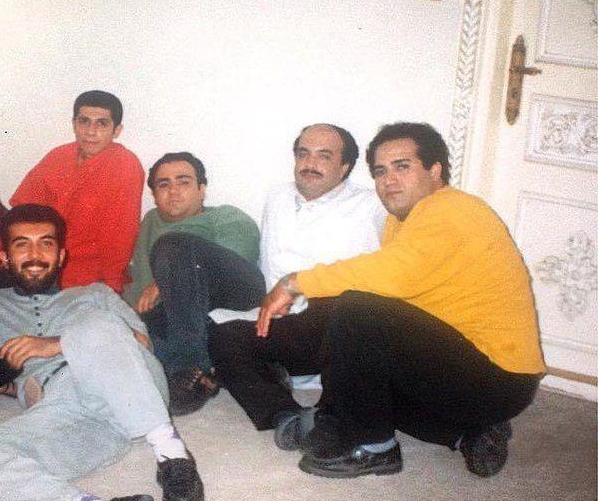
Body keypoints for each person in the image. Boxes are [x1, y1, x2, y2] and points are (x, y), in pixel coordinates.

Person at [257, 122, 545, 478]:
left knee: (357, 308)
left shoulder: (453, 210)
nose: (389, 180)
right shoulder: (403, 219)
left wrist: (295, 282)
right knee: (363, 381)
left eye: (402, 167)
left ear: (435, 171)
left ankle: (375, 448)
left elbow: (392, 274)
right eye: (380, 171)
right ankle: (469, 433)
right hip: (466, 370)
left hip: (498, 377)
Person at [0, 204, 205, 501]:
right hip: (71, 416)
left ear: (61, 255)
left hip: (127, 389)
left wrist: (56, 344)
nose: (35, 255)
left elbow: (141, 344)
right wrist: (3, 384)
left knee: (96, 326)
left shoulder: (95, 294)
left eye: (46, 243)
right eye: (22, 245)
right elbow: (17, 372)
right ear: (5, 257)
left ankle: (172, 455)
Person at [208, 124, 384, 440]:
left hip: (334, 325)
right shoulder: (277, 196)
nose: (310, 163)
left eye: (324, 156)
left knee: (344, 303)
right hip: (281, 322)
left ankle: (317, 396)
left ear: (345, 166)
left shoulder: (373, 205)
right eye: (303, 154)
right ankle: (286, 416)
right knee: (221, 333)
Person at [123, 152, 262, 415]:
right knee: (131, 334)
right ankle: (206, 376)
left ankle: (190, 366)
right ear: (154, 194)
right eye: (164, 184)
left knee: (171, 246)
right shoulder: (149, 222)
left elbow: (238, 257)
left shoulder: (226, 216)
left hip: (232, 297)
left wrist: (165, 280)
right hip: (182, 319)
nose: (173, 191)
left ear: (202, 189)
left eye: (183, 182)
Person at [9, 90, 143, 293]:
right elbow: (22, 212)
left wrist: (110, 288)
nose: (91, 131)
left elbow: (120, 235)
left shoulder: (125, 165)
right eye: (84, 121)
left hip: (86, 276)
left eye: (102, 123)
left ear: (116, 130)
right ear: (74, 124)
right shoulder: (58, 156)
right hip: (38, 263)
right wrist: (1, 257)